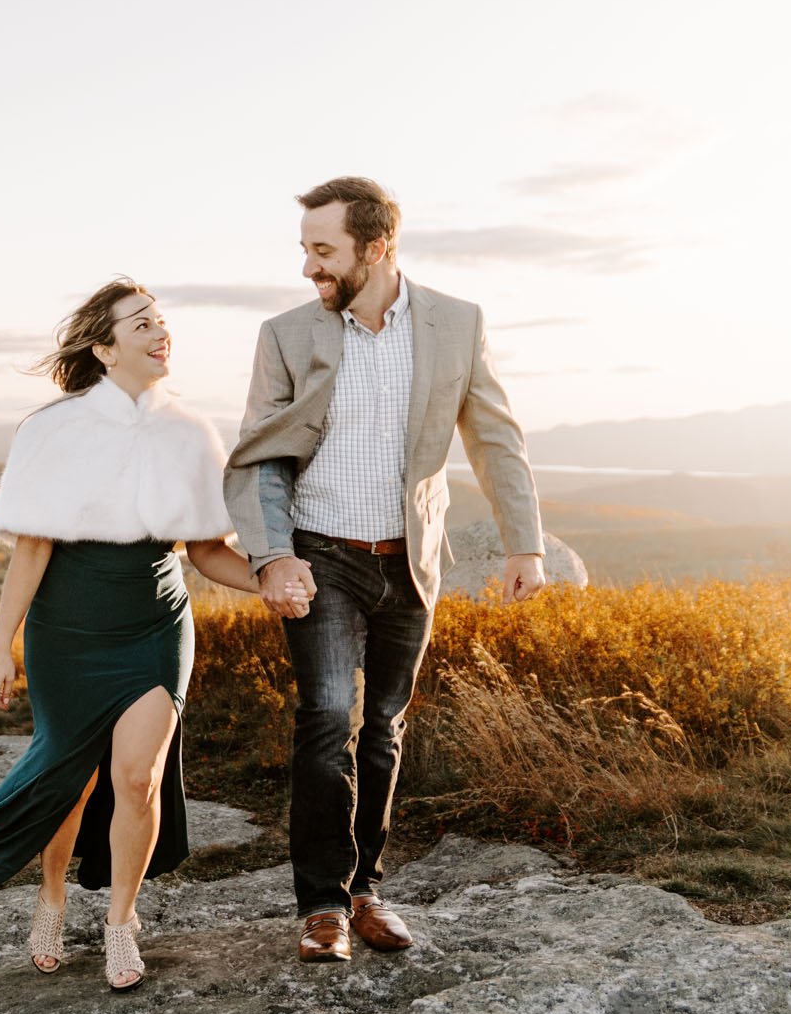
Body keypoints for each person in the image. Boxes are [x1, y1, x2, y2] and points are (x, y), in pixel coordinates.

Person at [224, 176, 548, 963]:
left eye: (324, 251)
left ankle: (367, 888)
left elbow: (495, 439)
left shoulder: (457, 325)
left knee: (383, 727)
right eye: (306, 250)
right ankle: (321, 907)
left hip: (409, 562)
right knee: (327, 718)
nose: (310, 267)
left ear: (377, 248)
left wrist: (525, 542)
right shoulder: (286, 335)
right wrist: (273, 555)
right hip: (322, 557)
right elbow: (262, 460)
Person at [0, 278, 265, 990]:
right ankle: (51, 898)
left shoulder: (190, 430)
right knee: (74, 779)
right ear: (104, 346)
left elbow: (207, 551)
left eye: (162, 320)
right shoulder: (52, 429)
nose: (160, 331)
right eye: (141, 322)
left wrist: (272, 580)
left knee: (136, 776)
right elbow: (31, 549)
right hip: (70, 629)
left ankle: (122, 921)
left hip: (156, 622)